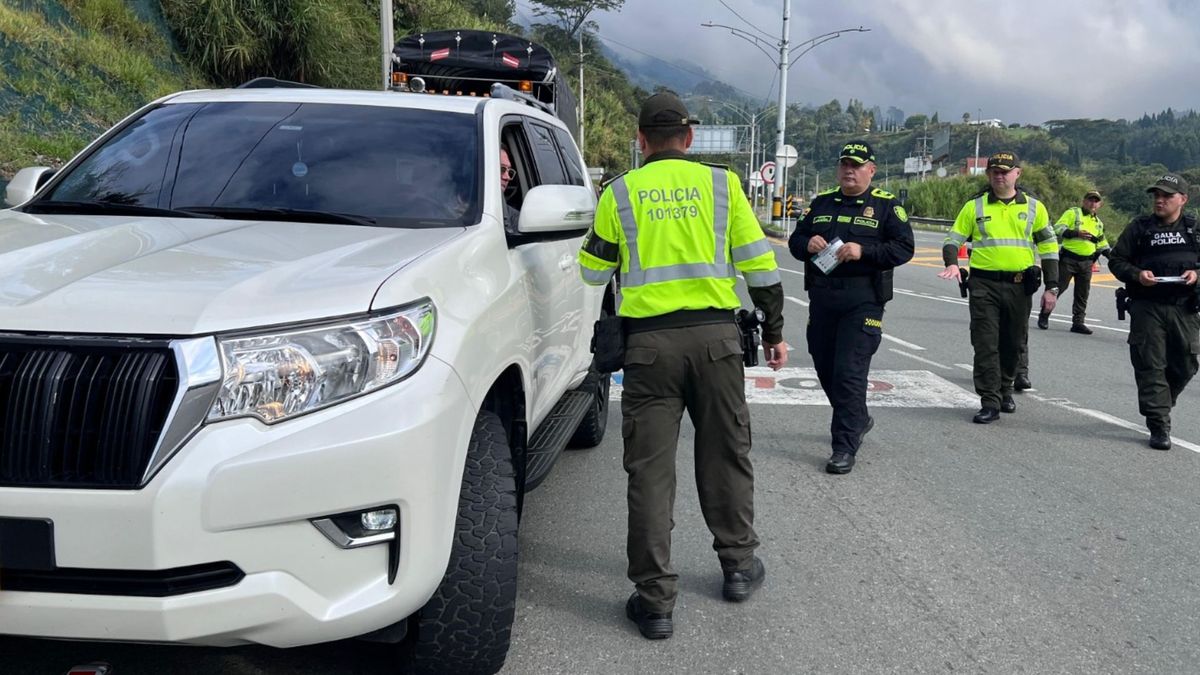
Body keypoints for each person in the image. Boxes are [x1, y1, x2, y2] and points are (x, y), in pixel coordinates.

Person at [577, 91, 787, 640]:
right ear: (689, 138)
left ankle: (655, 603)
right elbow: (760, 268)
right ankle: (738, 567)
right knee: (726, 456)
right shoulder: (723, 186)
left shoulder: (619, 193)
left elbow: (591, 274)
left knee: (650, 473)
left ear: (641, 140)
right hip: (718, 343)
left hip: (649, 349)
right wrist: (776, 331)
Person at [788, 141, 914, 474]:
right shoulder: (822, 202)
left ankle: (843, 446)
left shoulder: (886, 207)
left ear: (871, 170)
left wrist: (865, 251)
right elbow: (795, 241)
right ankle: (857, 417)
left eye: (856, 165)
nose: (849, 170)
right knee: (825, 367)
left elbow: (904, 249)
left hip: (863, 302)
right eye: (844, 164)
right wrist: (807, 244)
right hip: (823, 299)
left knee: (849, 373)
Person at [938, 151, 1060, 423]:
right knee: (984, 343)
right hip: (984, 286)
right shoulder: (975, 206)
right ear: (988, 174)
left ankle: (1006, 388)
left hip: (1019, 287)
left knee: (1012, 342)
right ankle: (989, 400)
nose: (999, 175)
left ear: (1018, 173)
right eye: (994, 171)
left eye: (1005, 171)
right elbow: (953, 239)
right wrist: (952, 262)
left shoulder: (1034, 208)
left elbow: (1049, 248)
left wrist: (1052, 287)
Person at [1106, 173, 1198, 450]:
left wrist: (1196, 274)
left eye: (1167, 196)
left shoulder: (1195, 229)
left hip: (1184, 307)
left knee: (1186, 365)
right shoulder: (1140, 228)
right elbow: (1117, 261)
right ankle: (1159, 424)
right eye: (1156, 195)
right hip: (1147, 307)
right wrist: (1137, 274)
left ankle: (1160, 402)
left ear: (1183, 199)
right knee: (1150, 365)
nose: (1159, 200)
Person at [1038, 189, 1111, 333]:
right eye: (1090, 200)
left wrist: (1114, 258)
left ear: (1100, 205)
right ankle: (1044, 315)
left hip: (1087, 263)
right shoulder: (1073, 213)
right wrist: (1075, 233)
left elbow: (1102, 244)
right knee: (1057, 289)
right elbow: (1057, 228)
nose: (1092, 203)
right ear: (1084, 201)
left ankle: (1078, 322)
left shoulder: (1098, 223)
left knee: (1082, 293)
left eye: (1096, 201)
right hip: (1068, 259)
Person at [499, 146, 521, 232]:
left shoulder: (513, 217)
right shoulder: (453, 210)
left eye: (509, 171)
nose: (507, 177)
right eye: (502, 169)